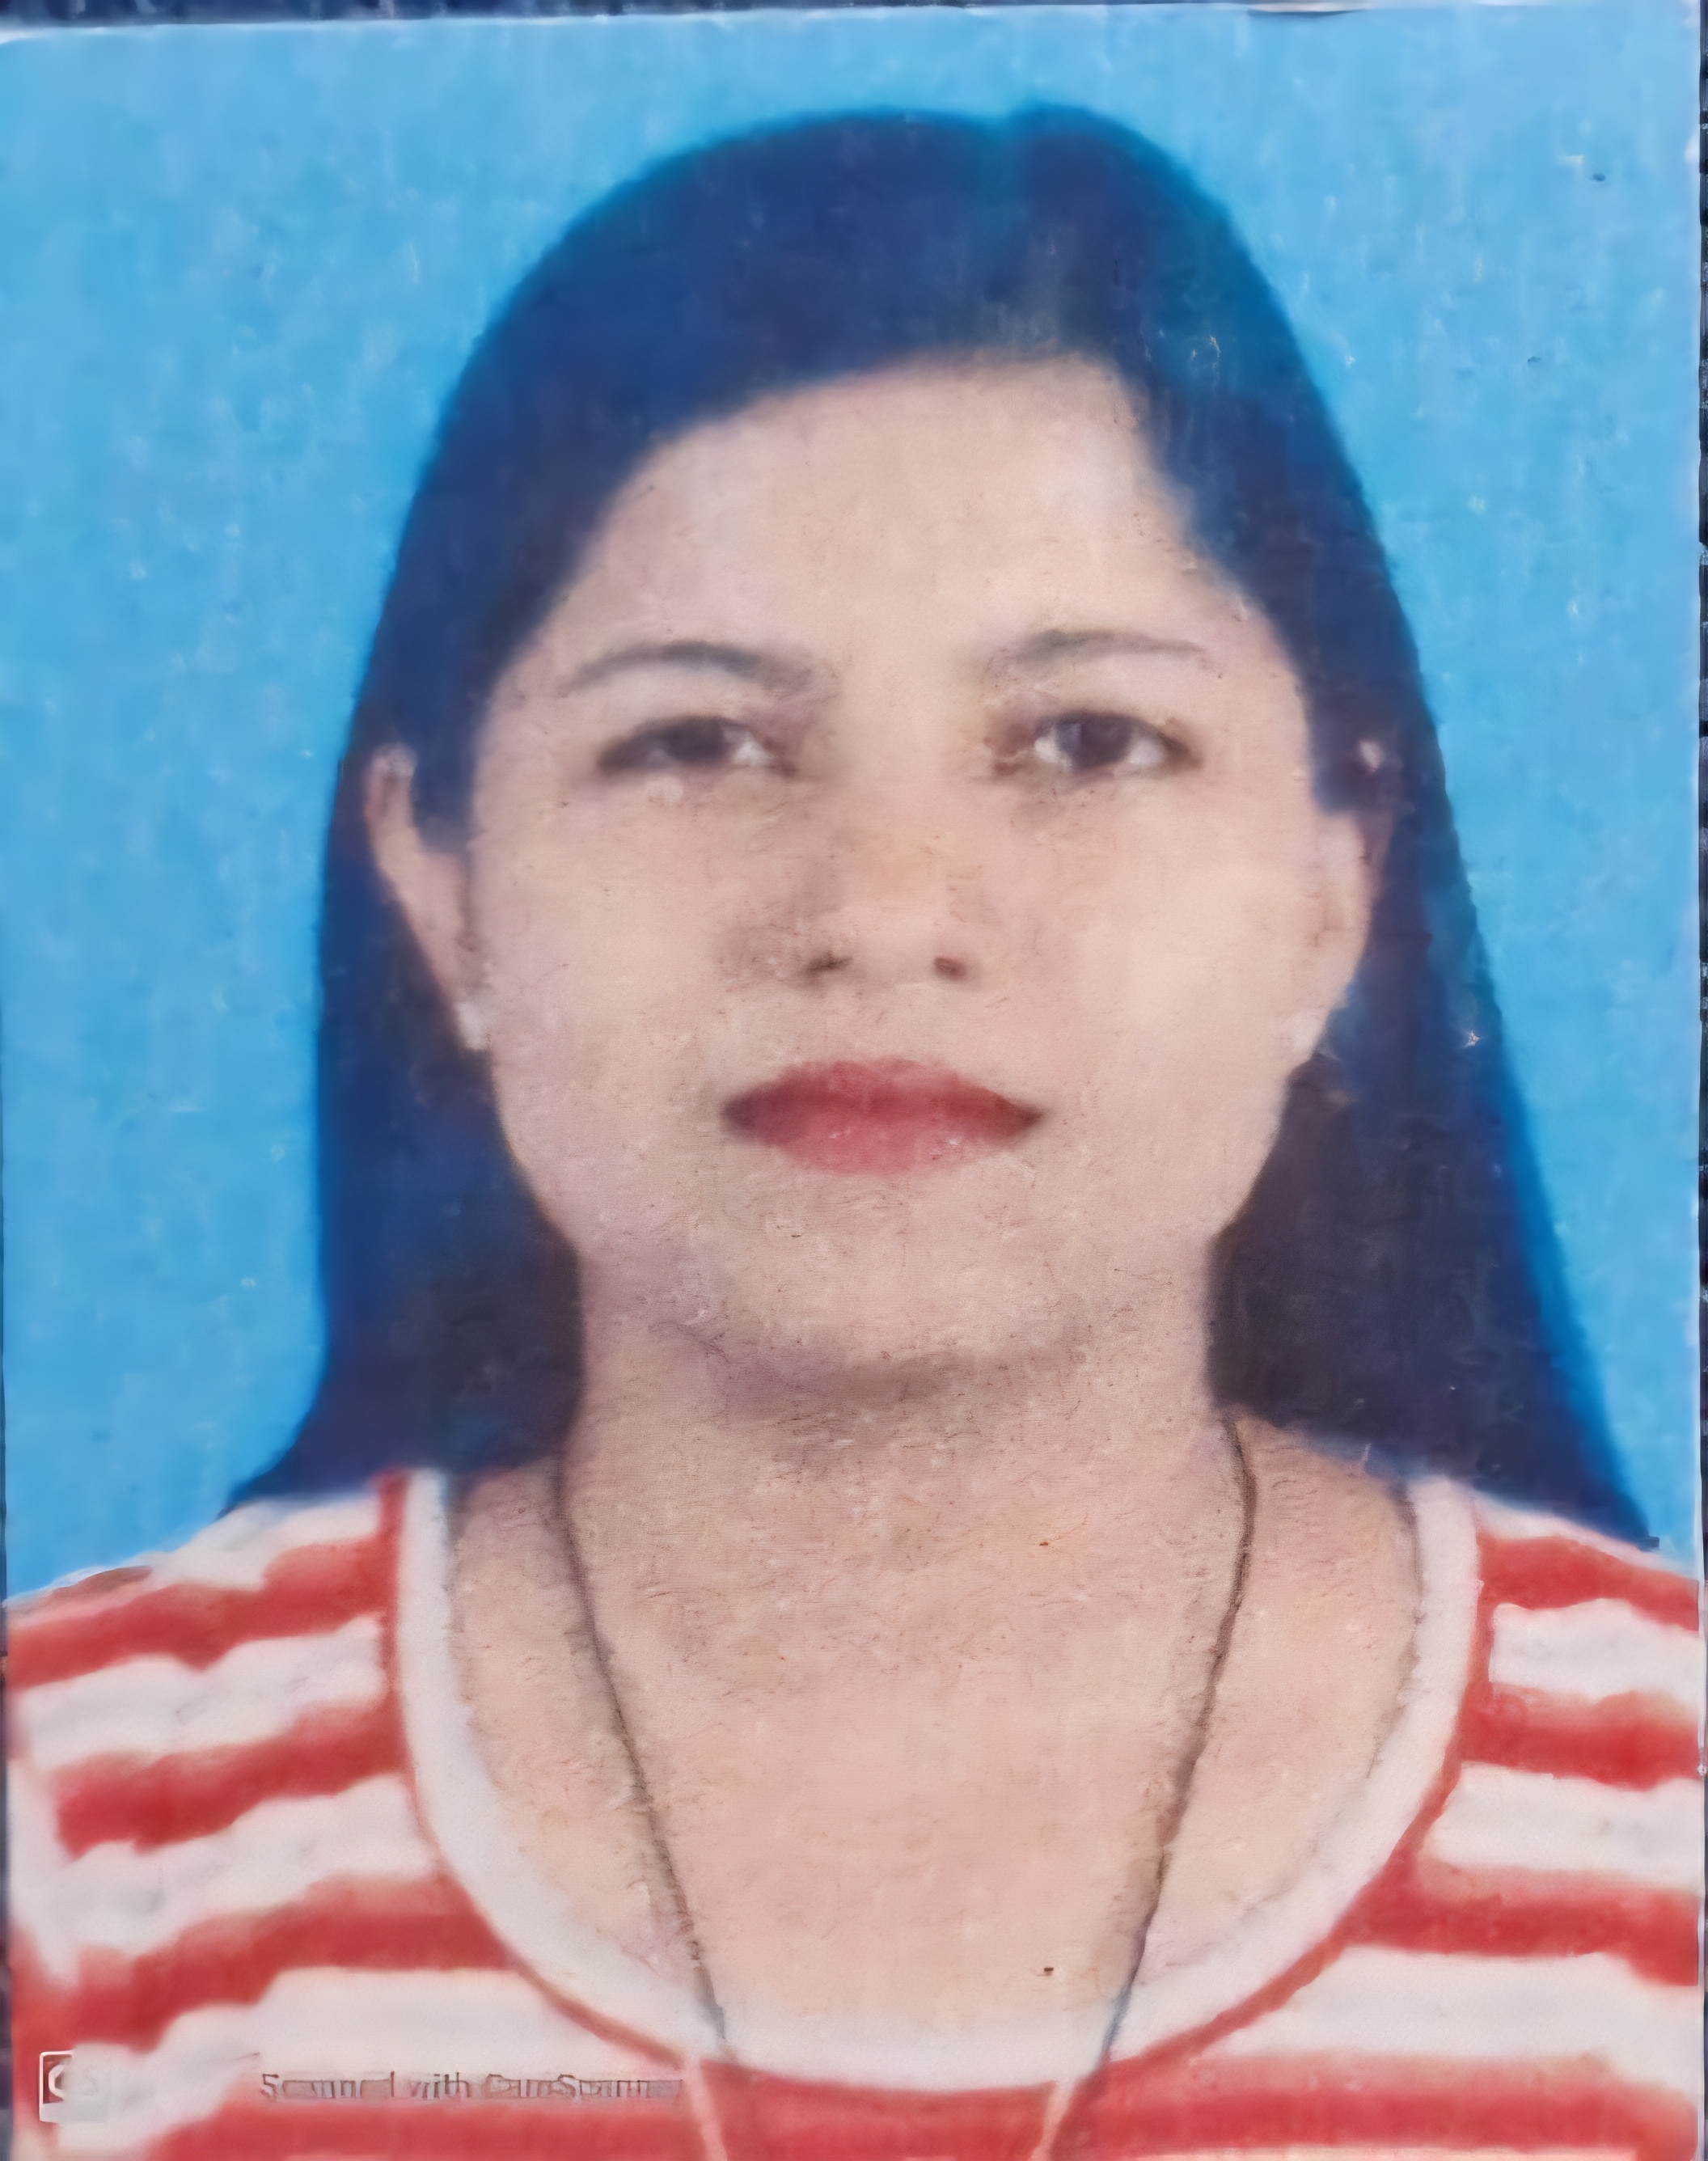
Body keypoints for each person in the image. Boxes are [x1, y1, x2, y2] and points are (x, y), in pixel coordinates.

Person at [9, 112, 1701, 2161]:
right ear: (442, 883)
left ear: (1334, 891)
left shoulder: (1665, 1838)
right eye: (697, 741)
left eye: (1087, 740)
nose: (884, 911)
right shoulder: (74, 1842)